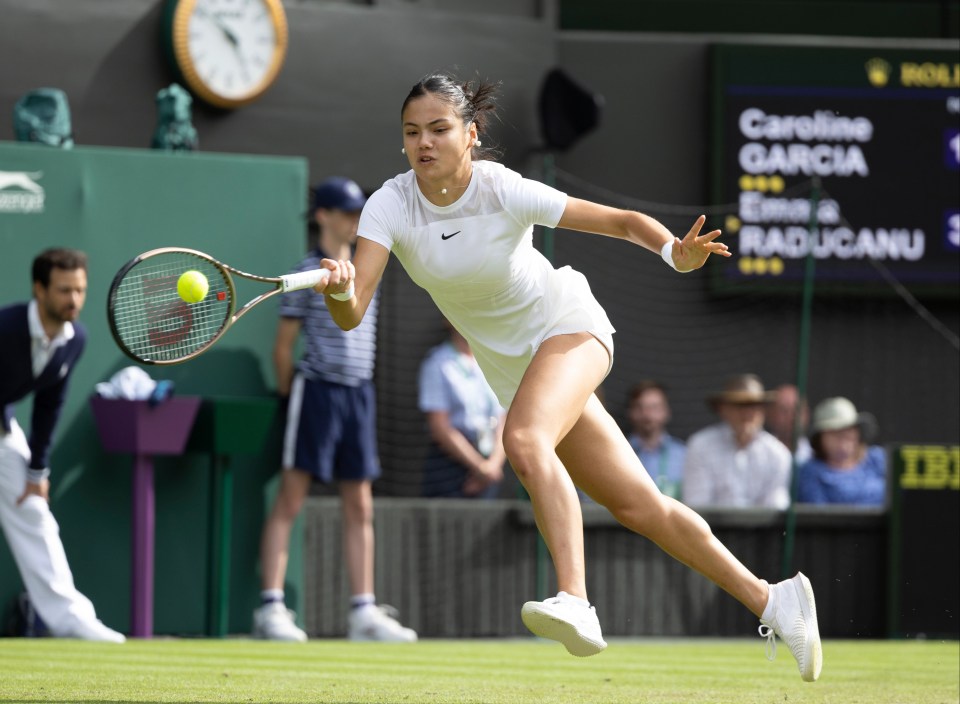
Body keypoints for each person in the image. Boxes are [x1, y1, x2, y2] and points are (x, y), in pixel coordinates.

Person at [311, 74, 821, 681]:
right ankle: (774, 601)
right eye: (412, 132)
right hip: (516, 368)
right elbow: (351, 315)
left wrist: (673, 252)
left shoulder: (501, 188)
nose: (424, 143)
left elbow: (625, 221)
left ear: (470, 135)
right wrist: (340, 291)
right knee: (641, 507)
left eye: (440, 129)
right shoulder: (389, 204)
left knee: (523, 440)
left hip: (569, 327)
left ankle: (576, 601)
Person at [252, 177, 416, 643]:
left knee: (360, 505)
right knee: (290, 499)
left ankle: (363, 613)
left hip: (359, 394)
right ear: (323, 215)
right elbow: (283, 350)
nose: (355, 220)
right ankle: (271, 608)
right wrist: (292, 401)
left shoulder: (366, 268)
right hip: (317, 393)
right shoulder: (306, 271)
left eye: (358, 212)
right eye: (346, 212)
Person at [0, 248, 124, 642]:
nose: (73, 300)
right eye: (63, 290)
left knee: (34, 509)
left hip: (3, 432)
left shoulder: (75, 338)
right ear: (39, 289)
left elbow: (49, 405)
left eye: (80, 290)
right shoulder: (4, 328)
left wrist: (38, 471)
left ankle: (69, 619)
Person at [418, 319, 506, 498]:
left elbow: (503, 418)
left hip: (489, 468)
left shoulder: (492, 361)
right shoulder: (437, 363)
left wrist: (493, 465)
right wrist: (478, 466)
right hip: (450, 468)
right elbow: (439, 427)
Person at [683, 374, 793, 510]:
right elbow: (696, 504)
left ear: (762, 410)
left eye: (753, 405)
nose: (747, 413)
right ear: (723, 409)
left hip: (762, 531)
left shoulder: (778, 453)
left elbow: (776, 508)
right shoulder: (700, 446)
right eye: (740, 405)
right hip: (709, 530)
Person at [797, 397, 886, 506]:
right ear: (820, 438)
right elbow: (819, 517)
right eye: (834, 431)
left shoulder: (877, 459)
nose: (844, 435)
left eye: (849, 428)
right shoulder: (810, 472)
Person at [625, 380, 686, 500]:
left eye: (654, 407)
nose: (647, 415)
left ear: (666, 411)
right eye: (639, 407)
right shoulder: (617, 452)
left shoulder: (685, 455)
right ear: (630, 412)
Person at [766, 383, 812, 464]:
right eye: (784, 410)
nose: (792, 416)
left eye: (797, 410)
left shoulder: (818, 458)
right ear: (770, 414)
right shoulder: (760, 454)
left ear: (807, 414)